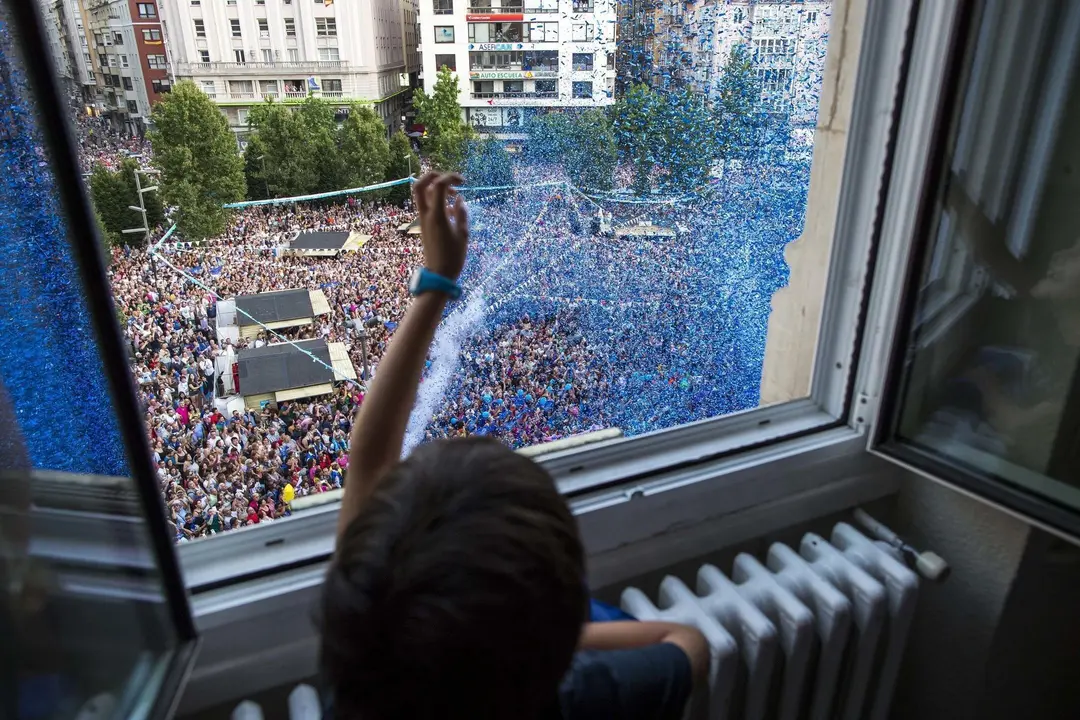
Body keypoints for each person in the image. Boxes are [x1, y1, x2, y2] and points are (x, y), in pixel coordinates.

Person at [319, 172, 709, 720]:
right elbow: (688, 642)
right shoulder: (587, 700)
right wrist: (553, 640)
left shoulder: (366, 661)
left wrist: (435, 284)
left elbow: (370, 457)